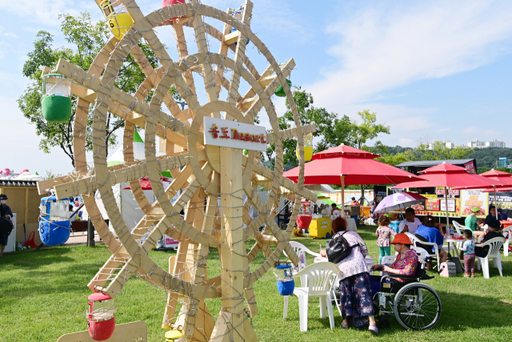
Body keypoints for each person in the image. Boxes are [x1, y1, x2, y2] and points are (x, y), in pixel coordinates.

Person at [320, 217, 378, 335]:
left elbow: (330, 255)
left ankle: (346, 321)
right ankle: (372, 323)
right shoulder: (354, 234)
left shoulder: (334, 239)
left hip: (343, 269)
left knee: (345, 294)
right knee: (365, 293)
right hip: (359, 266)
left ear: (333, 228)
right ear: (345, 226)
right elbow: (365, 252)